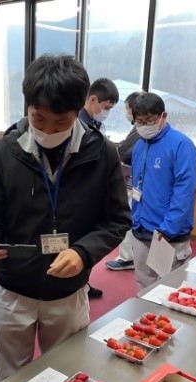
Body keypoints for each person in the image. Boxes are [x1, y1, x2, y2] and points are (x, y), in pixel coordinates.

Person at [0, 54, 130, 382]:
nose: (48, 130)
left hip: (69, 293)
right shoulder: (3, 152)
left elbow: (116, 220)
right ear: (28, 107)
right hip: (13, 291)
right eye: (39, 119)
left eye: (60, 122)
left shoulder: (102, 153)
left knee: (68, 380)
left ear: (79, 110)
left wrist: (83, 252)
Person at [130, 92, 196, 291]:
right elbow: (137, 186)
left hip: (168, 234)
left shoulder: (181, 145)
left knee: (172, 290)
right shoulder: (139, 146)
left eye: (149, 120)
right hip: (141, 229)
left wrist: (168, 228)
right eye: (139, 122)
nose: (144, 126)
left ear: (163, 116)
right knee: (144, 287)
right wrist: (135, 219)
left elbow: (185, 191)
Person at [77, 77, 120, 298]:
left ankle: (84, 282)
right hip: (80, 195)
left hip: (93, 194)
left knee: (88, 244)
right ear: (93, 99)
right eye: (106, 108)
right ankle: (80, 284)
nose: (107, 112)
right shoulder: (77, 124)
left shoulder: (95, 123)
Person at [106, 92, 141, 271]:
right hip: (135, 182)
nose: (126, 112)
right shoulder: (140, 128)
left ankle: (127, 258)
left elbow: (125, 151)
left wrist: (116, 149)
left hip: (136, 183)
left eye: (126, 108)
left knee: (129, 218)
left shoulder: (140, 128)